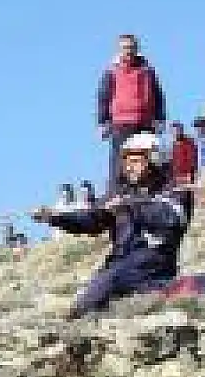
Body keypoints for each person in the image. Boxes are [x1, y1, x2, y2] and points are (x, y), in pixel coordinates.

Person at [32, 132, 191, 317]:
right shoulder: (119, 194)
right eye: (126, 162)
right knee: (102, 286)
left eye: (135, 161)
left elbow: (173, 217)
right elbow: (92, 219)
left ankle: (72, 323)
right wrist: (54, 217)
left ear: (155, 159)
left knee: (104, 287)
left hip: (152, 265)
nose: (129, 168)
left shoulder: (175, 190)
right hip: (119, 265)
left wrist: (131, 207)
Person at [96, 33, 168, 194]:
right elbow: (103, 96)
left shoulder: (147, 70)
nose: (128, 51)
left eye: (131, 47)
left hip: (145, 121)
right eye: (125, 48)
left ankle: (151, 191)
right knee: (119, 161)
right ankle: (116, 193)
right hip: (121, 122)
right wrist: (103, 122)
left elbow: (158, 95)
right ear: (119, 50)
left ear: (137, 49)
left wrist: (160, 119)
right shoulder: (112, 71)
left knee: (148, 157)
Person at [168, 120, 199, 185]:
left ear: (181, 130)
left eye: (177, 130)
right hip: (177, 177)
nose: (175, 133)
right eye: (173, 131)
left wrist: (191, 175)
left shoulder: (189, 143)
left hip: (188, 176)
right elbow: (173, 161)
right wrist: (173, 176)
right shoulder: (174, 145)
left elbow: (193, 160)